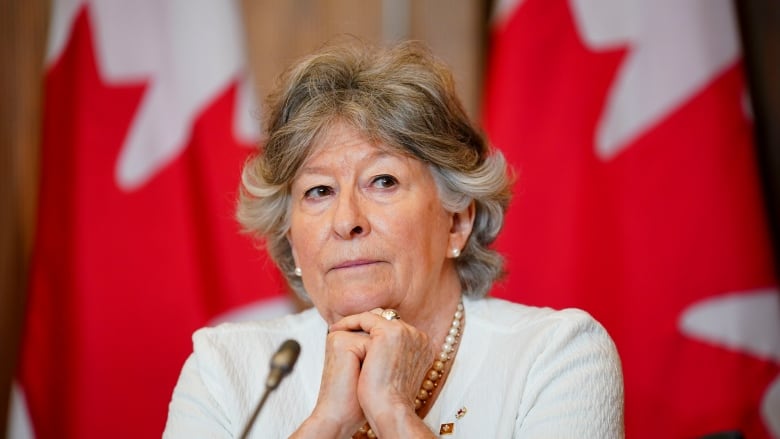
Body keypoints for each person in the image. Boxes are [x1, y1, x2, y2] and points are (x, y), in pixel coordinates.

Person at [163, 40, 624, 438]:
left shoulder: (556, 355)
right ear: (291, 239)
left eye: (382, 181)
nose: (347, 221)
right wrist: (327, 424)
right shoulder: (225, 368)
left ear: (457, 222)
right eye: (319, 191)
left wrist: (393, 413)